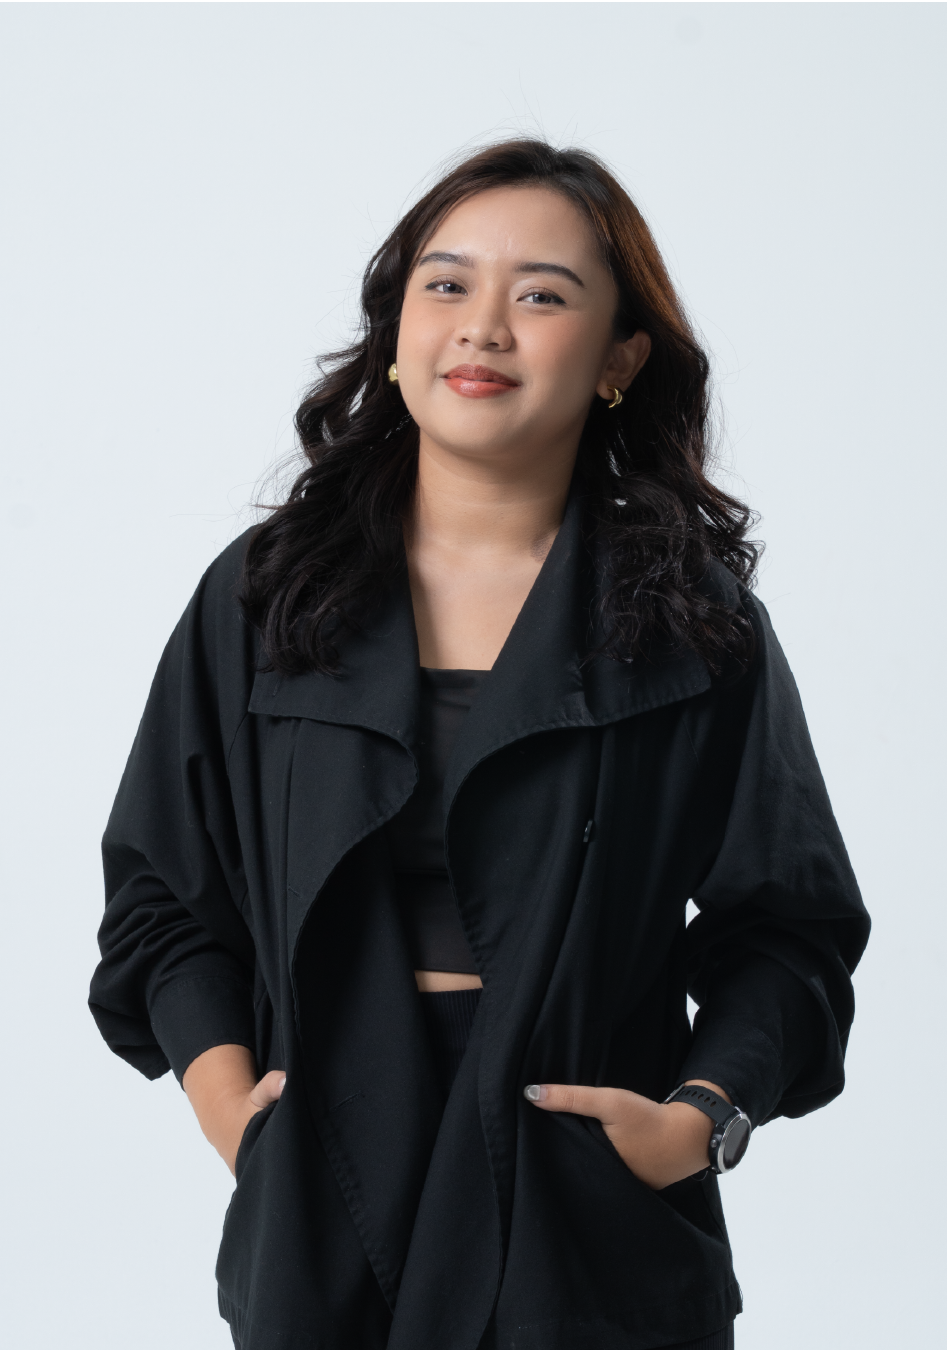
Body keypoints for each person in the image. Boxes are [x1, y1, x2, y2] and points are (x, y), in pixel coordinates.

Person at [90, 140, 869, 1350]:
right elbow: (162, 897)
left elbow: (790, 929)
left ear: (618, 360)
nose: (483, 327)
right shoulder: (264, 600)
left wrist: (697, 1120)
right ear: (395, 330)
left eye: (541, 295)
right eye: (445, 284)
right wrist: (231, 1106)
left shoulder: (689, 624)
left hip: (579, 1209)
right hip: (322, 1190)